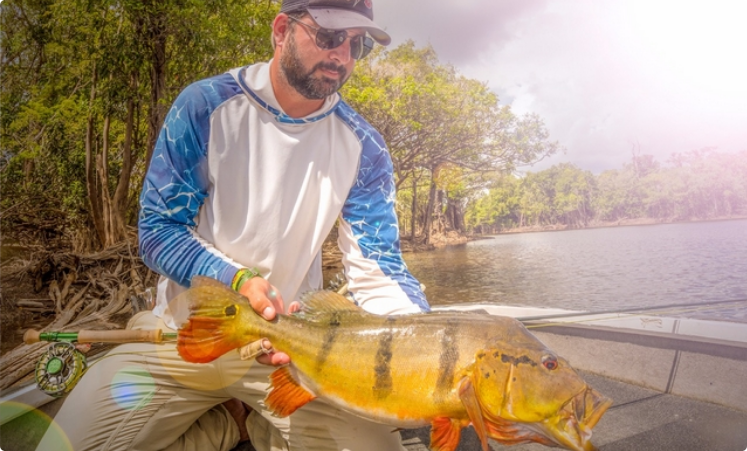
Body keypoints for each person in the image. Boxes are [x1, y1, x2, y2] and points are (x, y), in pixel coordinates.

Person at [35, 0, 429, 450]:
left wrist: (422, 341)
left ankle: (250, 420)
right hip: (182, 333)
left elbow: (380, 270)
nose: (342, 55)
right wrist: (239, 280)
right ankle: (230, 425)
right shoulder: (204, 106)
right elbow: (158, 229)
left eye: (356, 44)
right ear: (281, 30)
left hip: (291, 351)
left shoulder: (365, 147)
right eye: (328, 36)